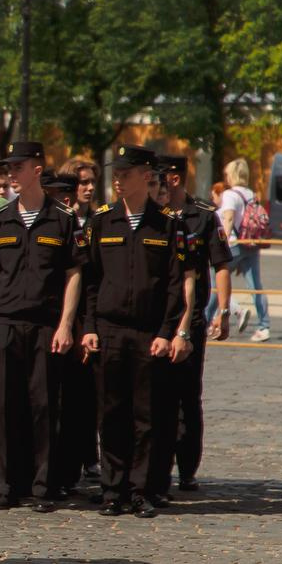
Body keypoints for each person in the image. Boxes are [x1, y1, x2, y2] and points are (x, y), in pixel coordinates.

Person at [79, 145, 192, 519]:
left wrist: (166, 331)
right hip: (110, 329)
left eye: (125, 174)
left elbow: (175, 286)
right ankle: (112, 490)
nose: (117, 181)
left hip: (148, 333)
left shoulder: (168, 225)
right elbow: (91, 281)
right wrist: (90, 327)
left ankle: (140, 489)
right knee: (111, 414)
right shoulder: (102, 221)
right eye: (115, 175)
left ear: (146, 176)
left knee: (147, 416)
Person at [0, 141, 83, 513]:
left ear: (37, 169)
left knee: (43, 405)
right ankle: (8, 485)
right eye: (8, 169)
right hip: (6, 320)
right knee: (8, 405)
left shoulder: (62, 220)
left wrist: (66, 323)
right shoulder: (0, 220)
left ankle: (43, 486)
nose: (11, 175)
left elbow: (73, 274)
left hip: (44, 323)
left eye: (17, 168)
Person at [160, 154, 232, 494]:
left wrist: (225, 310)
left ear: (173, 178)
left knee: (187, 395)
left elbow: (221, 265)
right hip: (155, 317)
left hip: (194, 316)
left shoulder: (202, 216)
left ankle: (187, 467)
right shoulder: (151, 216)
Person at [217, 158, 273, 341]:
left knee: (215, 280)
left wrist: (222, 244)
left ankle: (206, 320)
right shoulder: (251, 193)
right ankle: (264, 326)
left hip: (234, 244)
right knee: (255, 286)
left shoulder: (229, 195)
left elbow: (229, 219)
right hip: (251, 243)